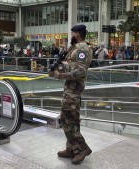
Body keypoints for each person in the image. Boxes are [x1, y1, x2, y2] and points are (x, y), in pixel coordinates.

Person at [48, 24, 92, 165]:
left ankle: (82, 149)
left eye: (72, 33)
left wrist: (59, 75)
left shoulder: (82, 49)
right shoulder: (75, 48)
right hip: (70, 88)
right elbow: (70, 65)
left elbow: (80, 71)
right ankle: (72, 148)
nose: (71, 35)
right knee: (73, 120)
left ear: (77, 34)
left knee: (66, 119)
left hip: (74, 90)